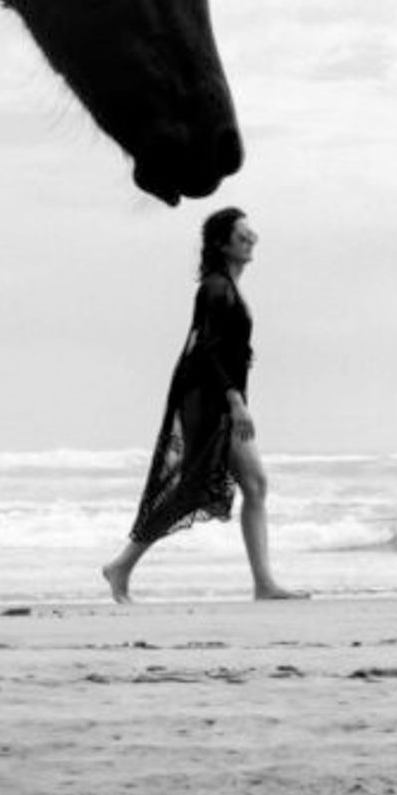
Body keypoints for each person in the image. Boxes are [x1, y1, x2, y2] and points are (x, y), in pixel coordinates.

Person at [103, 207, 307, 603]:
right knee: (190, 487)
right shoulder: (216, 287)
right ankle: (121, 566)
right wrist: (235, 401)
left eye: (252, 235)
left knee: (253, 484)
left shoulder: (227, 285)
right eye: (242, 236)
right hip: (211, 401)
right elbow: (206, 351)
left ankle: (263, 584)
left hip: (221, 398)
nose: (252, 241)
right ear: (222, 244)